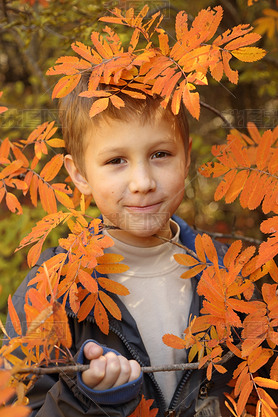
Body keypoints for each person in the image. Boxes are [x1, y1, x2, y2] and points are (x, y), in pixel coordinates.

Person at [6, 73, 234, 417]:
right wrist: (93, 399)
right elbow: (23, 406)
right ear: (79, 173)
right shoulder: (51, 289)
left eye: (160, 154)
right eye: (116, 161)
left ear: (186, 159)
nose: (142, 182)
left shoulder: (228, 271)